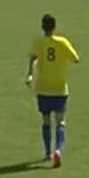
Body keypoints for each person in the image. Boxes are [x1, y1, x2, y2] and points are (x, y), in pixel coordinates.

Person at [25, 14, 80, 168]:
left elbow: (32, 58)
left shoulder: (38, 42)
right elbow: (76, 59)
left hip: (43, 88)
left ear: (42, 27)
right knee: (60, 121)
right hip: (60, 88)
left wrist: (30, 75)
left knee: (46, 121)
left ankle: (48, 152)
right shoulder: (62, 42)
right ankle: (58, 151)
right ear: (55, 27)